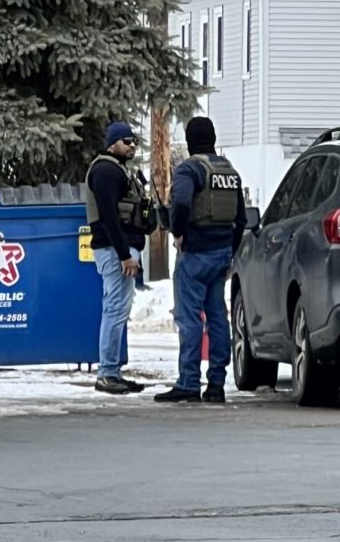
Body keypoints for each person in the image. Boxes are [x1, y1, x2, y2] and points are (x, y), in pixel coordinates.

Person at [155, 117, 245, 404]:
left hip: (194, 254)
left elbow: (180, 203)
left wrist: (179, 233)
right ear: (214, 138)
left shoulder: (190, 169)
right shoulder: (229, 172)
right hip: (221, 254)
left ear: (191, 140)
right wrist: (231, 251)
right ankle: (216, 383)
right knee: (218, 317)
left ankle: (188, 382)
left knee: (189, 318)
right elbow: (241, 217)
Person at [86, 121, 152, 394]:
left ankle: (111, 371)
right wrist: (125, 255)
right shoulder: (105, 171)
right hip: (115, 252)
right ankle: (108, 373)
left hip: (118, 250)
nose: (132, 145)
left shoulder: (116, 170)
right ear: (112, 143)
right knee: (115, 311)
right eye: (126, 141)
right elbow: (110, 217)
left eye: (134, 140)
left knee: (116, 310)